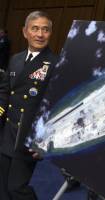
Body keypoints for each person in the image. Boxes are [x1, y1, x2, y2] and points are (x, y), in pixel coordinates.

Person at [0, 11, 58, 199]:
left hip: (27, 139)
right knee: (2, 188)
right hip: (6, 133)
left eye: (45, 29)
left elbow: (54, 107)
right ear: (25, 32)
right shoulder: (16, 59)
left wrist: (42, 141)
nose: (40, 34)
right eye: (35, 29)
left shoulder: (55, 64)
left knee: (16, 188)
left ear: (50, 33)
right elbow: (5, 93)